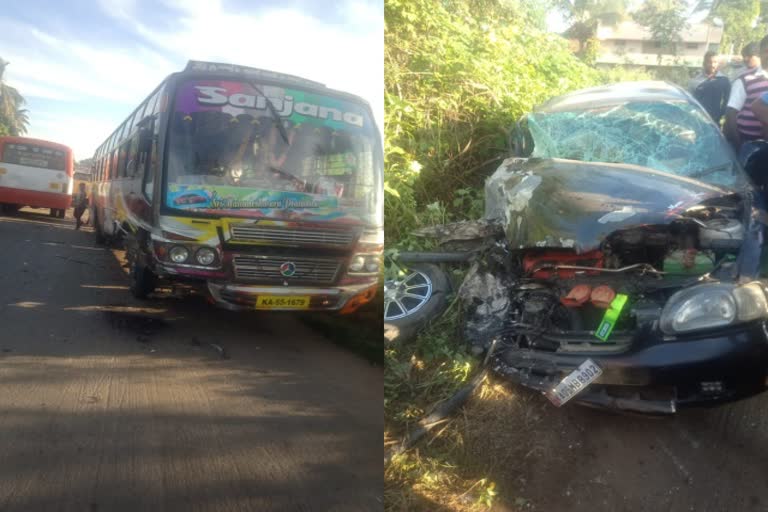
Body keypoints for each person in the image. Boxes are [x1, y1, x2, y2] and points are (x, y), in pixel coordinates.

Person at [724, 40, 768, 150]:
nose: (746, 59)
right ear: (760, 53)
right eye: (766, 51)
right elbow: (730, 113)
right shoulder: (745, 79)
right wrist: (739, 145)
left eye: (749, 55)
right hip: (748, 142)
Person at [689, 51, 730, 125]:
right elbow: (690, 101)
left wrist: (720, 114)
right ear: (704, 63)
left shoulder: (724, 80)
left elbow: (727, 100)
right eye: (709, 62)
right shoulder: (695, 81)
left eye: (715, 62)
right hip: (698, 121)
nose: (712, 65)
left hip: (715, 122)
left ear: (718, 64)